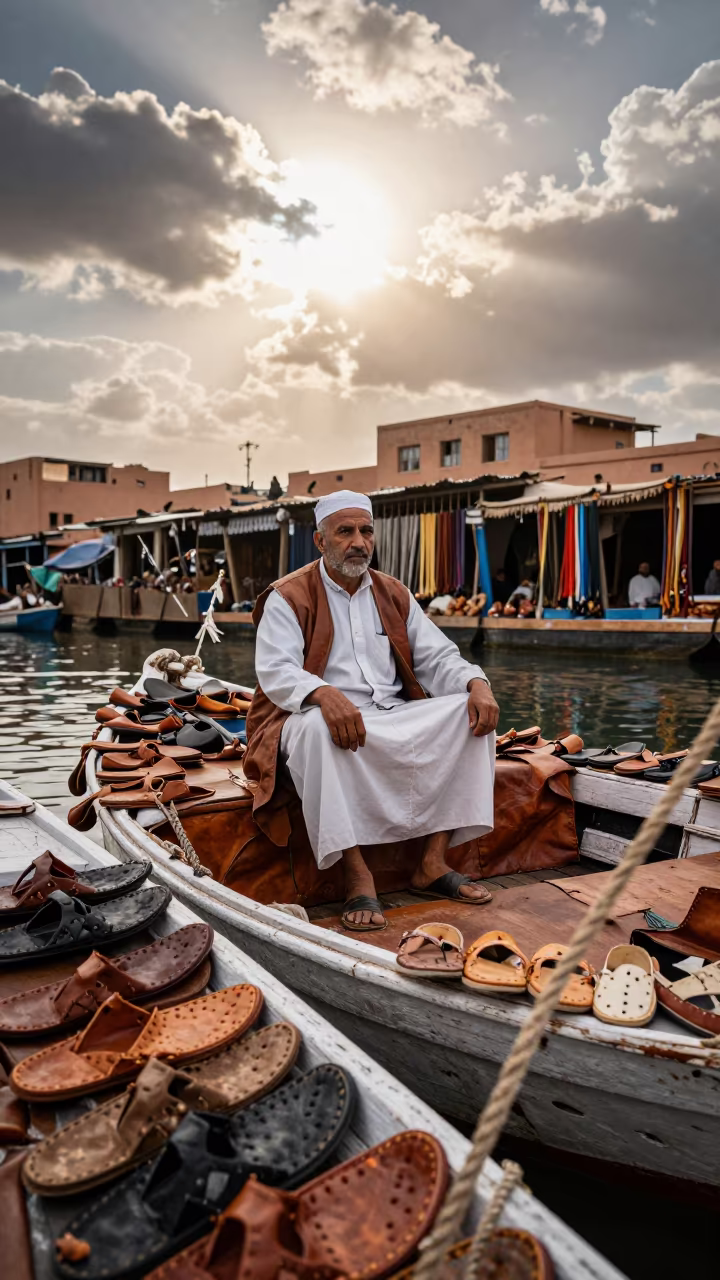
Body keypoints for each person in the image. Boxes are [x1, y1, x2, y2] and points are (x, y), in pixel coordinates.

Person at [247, 490, 499, 932]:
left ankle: (433, 862)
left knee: (467, 714)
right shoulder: (287, 596)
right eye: (345, 532)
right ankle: (356, 873)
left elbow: (438, 658)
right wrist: (323, 694)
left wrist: (476, 683)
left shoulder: (393, 593)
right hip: (306, 714)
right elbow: (276, 670)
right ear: (320, 540)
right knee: (320, 733)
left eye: (365, 531)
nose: (358, 541)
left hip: (388, 712)